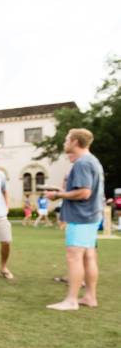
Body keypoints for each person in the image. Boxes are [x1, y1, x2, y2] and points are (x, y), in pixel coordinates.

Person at [45, 128, 105, 311]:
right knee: (88, 256)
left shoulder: (82, 163)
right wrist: (61, 192)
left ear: (75, 142)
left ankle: (71, 300)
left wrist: (58, 195)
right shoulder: (92, 160)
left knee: (74, 256)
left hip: (81, 217)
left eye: (67, 139)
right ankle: (89, 297)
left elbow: (84, 192)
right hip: (91, 216)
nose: (65, 143)